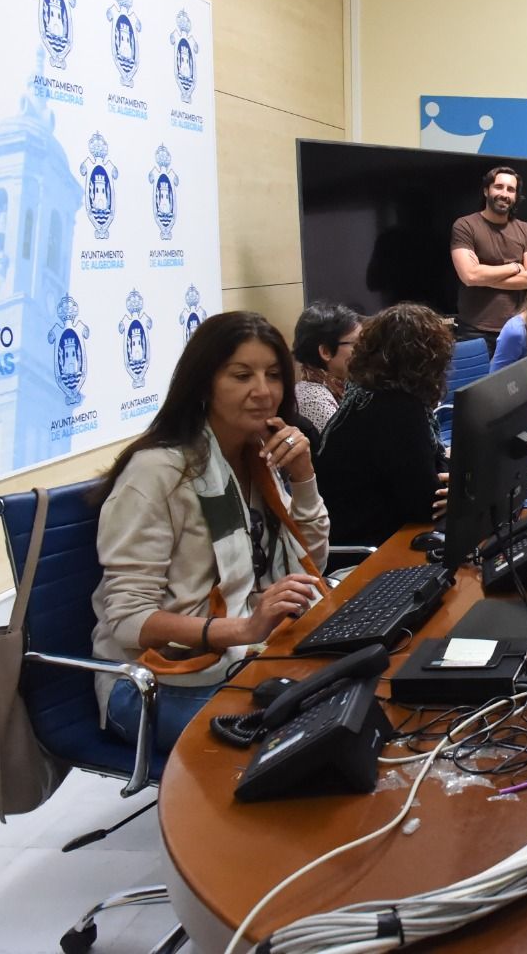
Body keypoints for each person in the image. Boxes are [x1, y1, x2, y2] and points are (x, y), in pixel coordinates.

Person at [90, 312, 329, 751]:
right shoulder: (158, 473)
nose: (263, 391)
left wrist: (304, 477)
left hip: (243, 655)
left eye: (274, 375)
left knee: (354, 693)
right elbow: (126, 620)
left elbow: (313, 563)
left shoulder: (259, 454)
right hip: (150, 681)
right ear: (203, 384)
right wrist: (240, 630)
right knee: (301, 739)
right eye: (242, 375)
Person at [314, 304, 452, 548]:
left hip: (357, 528)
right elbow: (425, 505)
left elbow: (426, 468)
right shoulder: (395, 408)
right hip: (367, 546)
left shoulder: (366, 395)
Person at [449, 166, 527, 354]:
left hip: (517, 329)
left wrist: (485, 276)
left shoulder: (526, 230)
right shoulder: (465, 225)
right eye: (498, 187)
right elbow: (469, 275)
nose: (504, 193)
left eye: (511, 189)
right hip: (474, 330)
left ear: (516, 196)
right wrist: (516, 267)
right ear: (486, 190)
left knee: (516, 384)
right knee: (476, 385)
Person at [291, 302, 360, 432]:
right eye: (356, 344)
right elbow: (346, 449)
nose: (363, 350)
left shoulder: (338, 388)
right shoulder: (314, 398)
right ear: (326, 352)